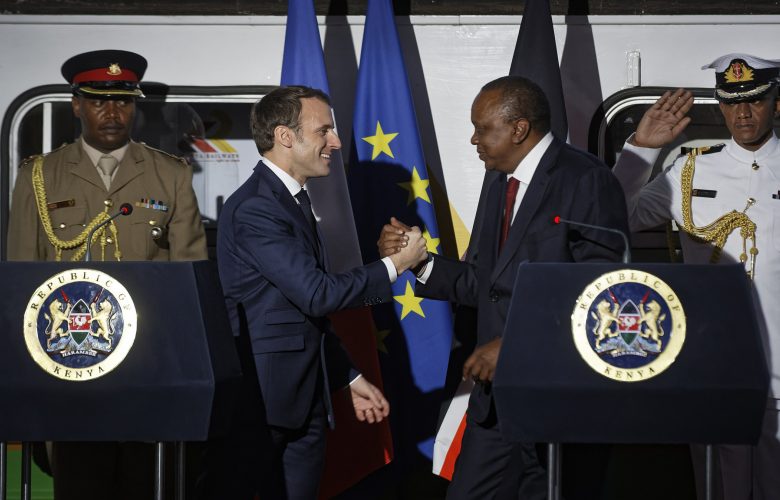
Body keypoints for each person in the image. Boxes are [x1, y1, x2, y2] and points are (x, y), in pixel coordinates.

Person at [380, 75, 629, 499]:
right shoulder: (500, 179)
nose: (474, 139)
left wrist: (515, 344)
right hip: (495, 403)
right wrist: (419, 262)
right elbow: (485, 282)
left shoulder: (586, 180)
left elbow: (604, 296)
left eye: (482, 128)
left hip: (560, 399)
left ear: (519, 128)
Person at [7, 50, 207, 499]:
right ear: (76, 105)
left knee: (145, 482)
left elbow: (189, 282)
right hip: (68, 366)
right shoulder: (39, 176)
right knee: (81, 482)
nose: (112, 112)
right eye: (98, 101)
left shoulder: (170, 175)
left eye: (123, 101)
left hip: (147, 365)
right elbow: (20, 281)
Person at [214, 85, 427, 499]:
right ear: (285, 136)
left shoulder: (288, 200)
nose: (336, 142)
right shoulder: (258, 206)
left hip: (303, 397)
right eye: (323, 130)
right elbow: (316, 295)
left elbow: (301, 312)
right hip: (264, 404)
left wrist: (348, 376)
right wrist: (396, 265)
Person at [612, 53, 780, 500]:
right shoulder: (691, 169)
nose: (743, 113)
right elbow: (616, 216)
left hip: (779, 367)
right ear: (721, 106)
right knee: (718, 487)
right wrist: (642, 149)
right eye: (732, 102)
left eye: (755, 100)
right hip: (712, 364)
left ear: (776, 103)